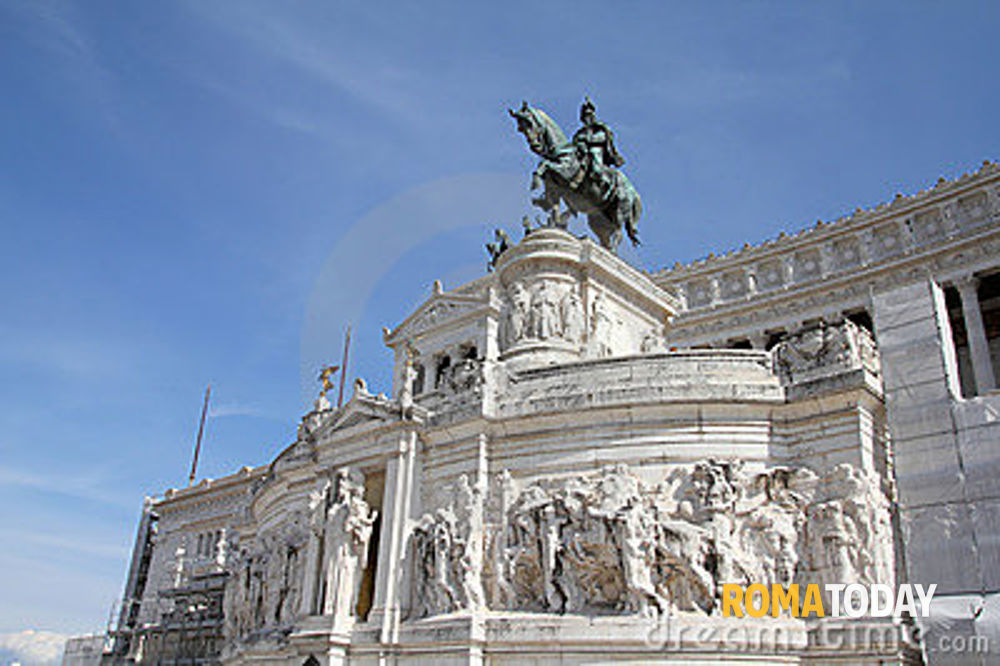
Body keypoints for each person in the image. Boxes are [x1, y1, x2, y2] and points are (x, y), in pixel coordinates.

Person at [570, 97, 625, 193]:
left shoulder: (601, 128)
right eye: (586, 115)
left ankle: (605, 185)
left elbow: (604, 138)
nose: (588, 117)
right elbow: (574, 144)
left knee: (595, 165)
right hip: (581, 154)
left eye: (590, 114)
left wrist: (588, 141)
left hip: (597, 151)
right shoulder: (580, 133)